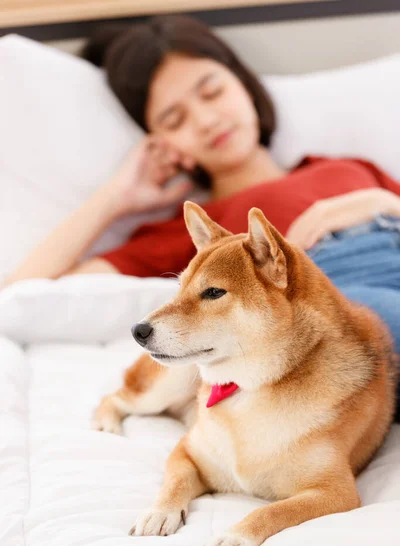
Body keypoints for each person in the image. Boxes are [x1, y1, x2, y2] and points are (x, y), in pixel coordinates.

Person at [5, 16, 400, 415]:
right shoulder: (198, 230)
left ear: (243, 84)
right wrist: (114, 198)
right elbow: (24, 294)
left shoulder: (345, 167)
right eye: (174, 119)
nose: (207, 121)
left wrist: (382, 205)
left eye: (212, 92)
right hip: (337, 291)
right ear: (161, 142)